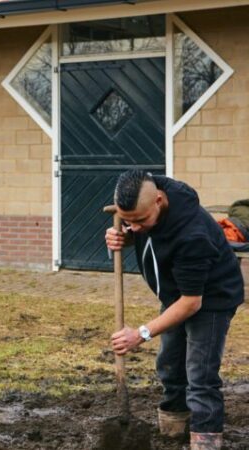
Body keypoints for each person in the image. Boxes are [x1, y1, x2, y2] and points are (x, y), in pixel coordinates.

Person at [105, 170, 243, 450]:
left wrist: (141, 334)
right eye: (128, 220)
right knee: (169, 363)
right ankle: (172, 431)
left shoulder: (192, 234)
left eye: (140, 220)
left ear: (158, 201)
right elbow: (139, 228)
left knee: (200, 374)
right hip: (175, 295)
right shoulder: (148, 188)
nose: (135, 226)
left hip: (212, 299)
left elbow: (192, 302)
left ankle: (205, 440)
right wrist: (124, 236)